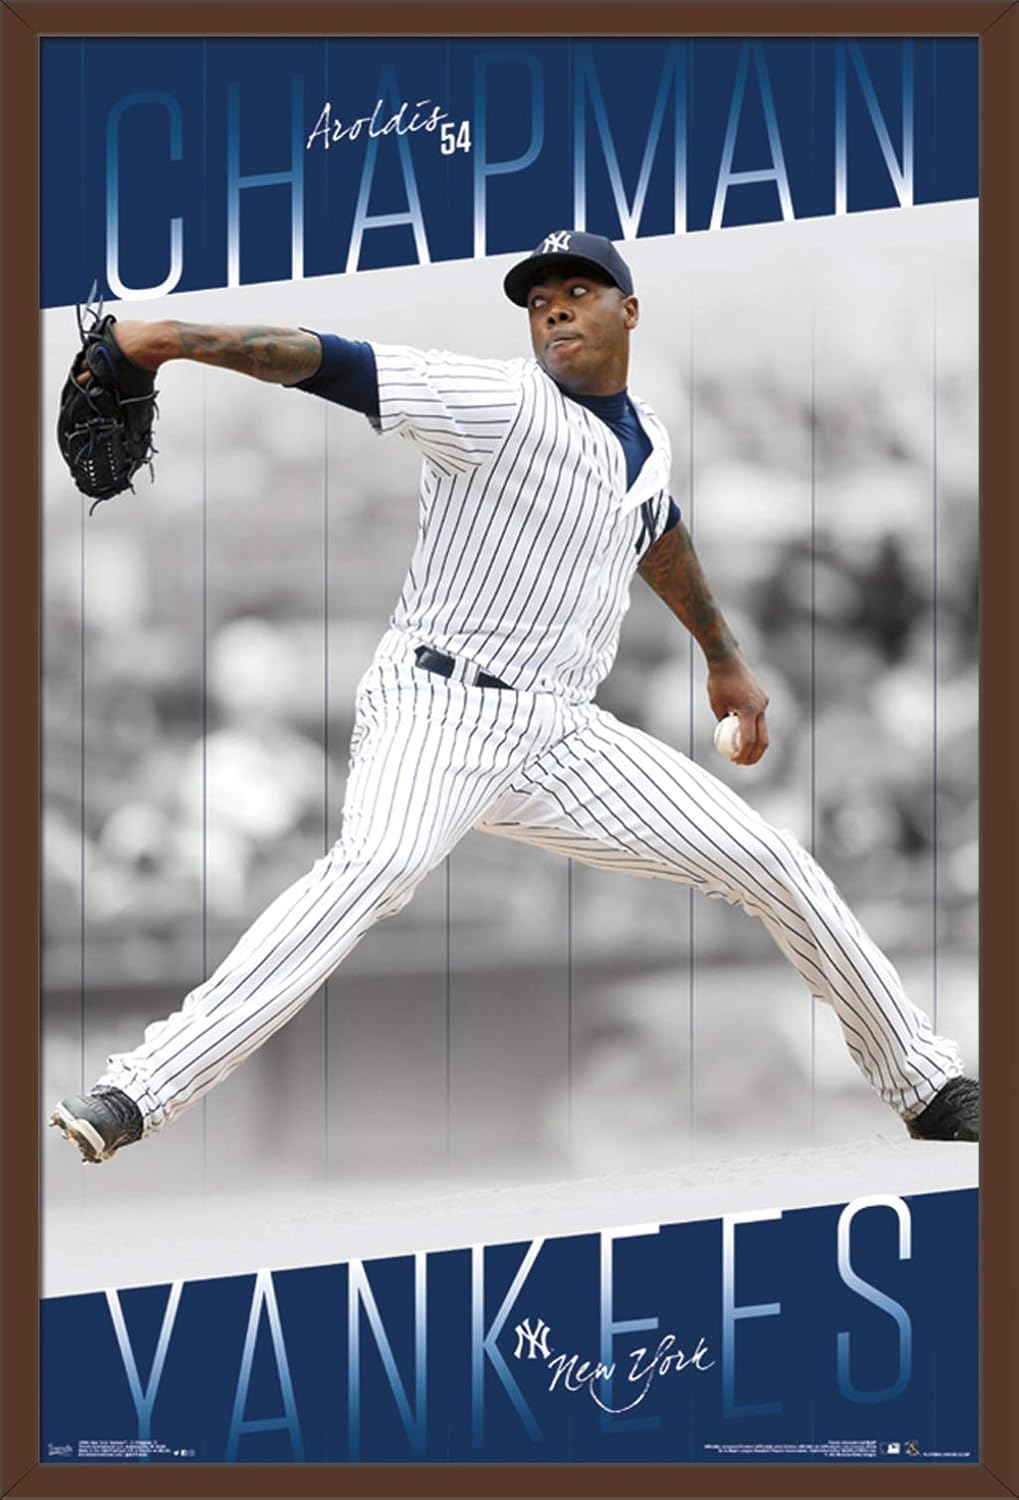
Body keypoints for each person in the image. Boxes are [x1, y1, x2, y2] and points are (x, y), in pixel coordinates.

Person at [50, 230, 979, 1163]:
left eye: (578, 290)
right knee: (376, 867)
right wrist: (165, 339)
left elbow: (655, 527)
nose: (555, 309)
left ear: (629, 310)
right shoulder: (495, 400)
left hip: (559, 730)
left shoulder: (645, 433)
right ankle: (139, 1089)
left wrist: (723, 657)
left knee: (768, 858)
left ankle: (927, 1086)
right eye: (539, 301)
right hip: (436, 707)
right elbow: (331, 360)